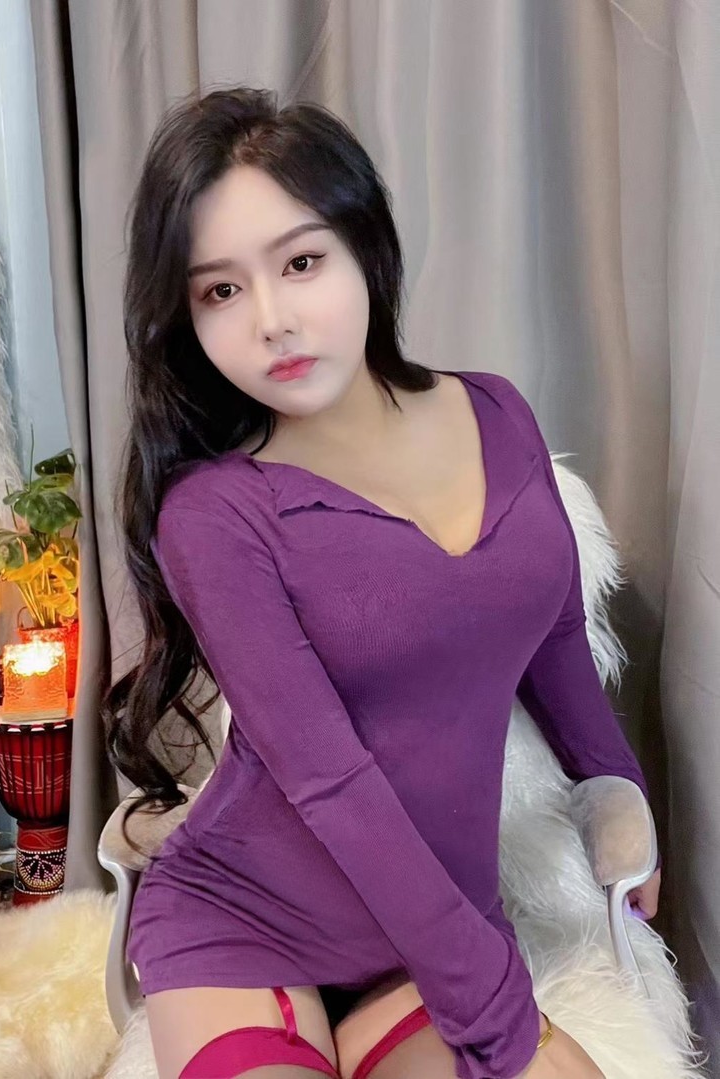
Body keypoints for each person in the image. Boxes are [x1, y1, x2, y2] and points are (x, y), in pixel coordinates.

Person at [103, 85, 661, 1079]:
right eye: (219, 291)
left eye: (301, 262)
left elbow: (551, 638)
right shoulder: (217, 513)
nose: (272, 321)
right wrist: (504, 1021)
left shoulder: (497, 414)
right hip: (247, 927)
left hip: (432, 928)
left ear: (365, 248)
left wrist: (615, 786)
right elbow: (327, 776)